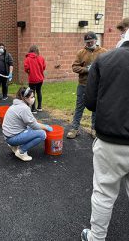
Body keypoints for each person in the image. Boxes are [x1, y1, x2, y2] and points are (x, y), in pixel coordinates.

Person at [81, 19, 129, 241]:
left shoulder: (106, 59)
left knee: (104, 192)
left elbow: (90, 103)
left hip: (110, 140)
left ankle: (96, 237)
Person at [67, 32, 107, 139]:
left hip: (97, 85)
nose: (89, 44)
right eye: (87, 42)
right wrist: (86, 69)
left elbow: (107, 66)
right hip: (83, 85)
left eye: (91, 42)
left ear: (96, 40)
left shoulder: (103, 52)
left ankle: (94, 129)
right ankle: (75, 128)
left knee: (95, 108)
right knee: (79, 107)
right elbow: (74, 67)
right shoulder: (81, 53)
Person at [2, 86, 53, 161]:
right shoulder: (24, 108)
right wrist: (45, 127)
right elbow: (35, 125)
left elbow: (31, 122)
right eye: (32, 97)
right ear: (25, 98)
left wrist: (40, 125)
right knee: (42, 134)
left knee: (32, 128)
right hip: (12, 138)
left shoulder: (16, 104)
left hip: (8, 135)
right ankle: (21, 152)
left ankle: (14, 147)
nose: (34, 99)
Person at [24, 45, 46, 113]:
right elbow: (44, 67)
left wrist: (29, 72)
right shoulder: (41, 58)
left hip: (32, 79)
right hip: (40, 78)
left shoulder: (27, 59)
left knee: (32, 94)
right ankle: (39, 107)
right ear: (37, 50)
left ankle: (33, 109)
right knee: (39, 91)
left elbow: (26, 68)